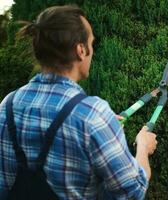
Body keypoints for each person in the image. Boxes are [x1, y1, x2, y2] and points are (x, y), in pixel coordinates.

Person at [0, 5, 157, 200]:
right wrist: (143, 147)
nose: (92, 50)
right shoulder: (93, 114)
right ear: (81, 50)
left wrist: (103, 127)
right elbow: (134, 191)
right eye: (91, 43)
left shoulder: (7, 105)